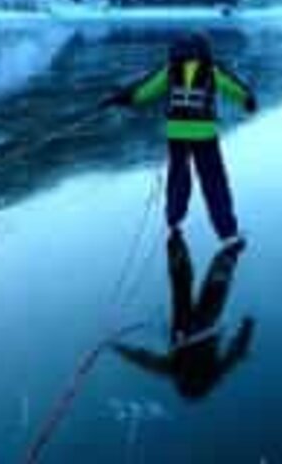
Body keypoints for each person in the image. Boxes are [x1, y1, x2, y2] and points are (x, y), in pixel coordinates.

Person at [102, 34, 257, 247]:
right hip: (205, 134)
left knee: (178, 178)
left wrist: (120, 98)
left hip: (176, 134)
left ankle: (174, 220)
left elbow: (144, 91)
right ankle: (227, 232)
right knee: (214, 183)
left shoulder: (170, 70)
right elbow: (234, 88)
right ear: (203, 50)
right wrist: (248, 100)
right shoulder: (211, 69)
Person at [113, 232, 255, 400]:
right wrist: (119, 349)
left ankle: (218, 253)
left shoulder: (209, 374)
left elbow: (236, 353)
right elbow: (145, 360)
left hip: (201, 327)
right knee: (185, 289)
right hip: (188, 329)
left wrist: (247, 327)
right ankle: (178, 247)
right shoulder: (177, 372)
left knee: (206, 288)